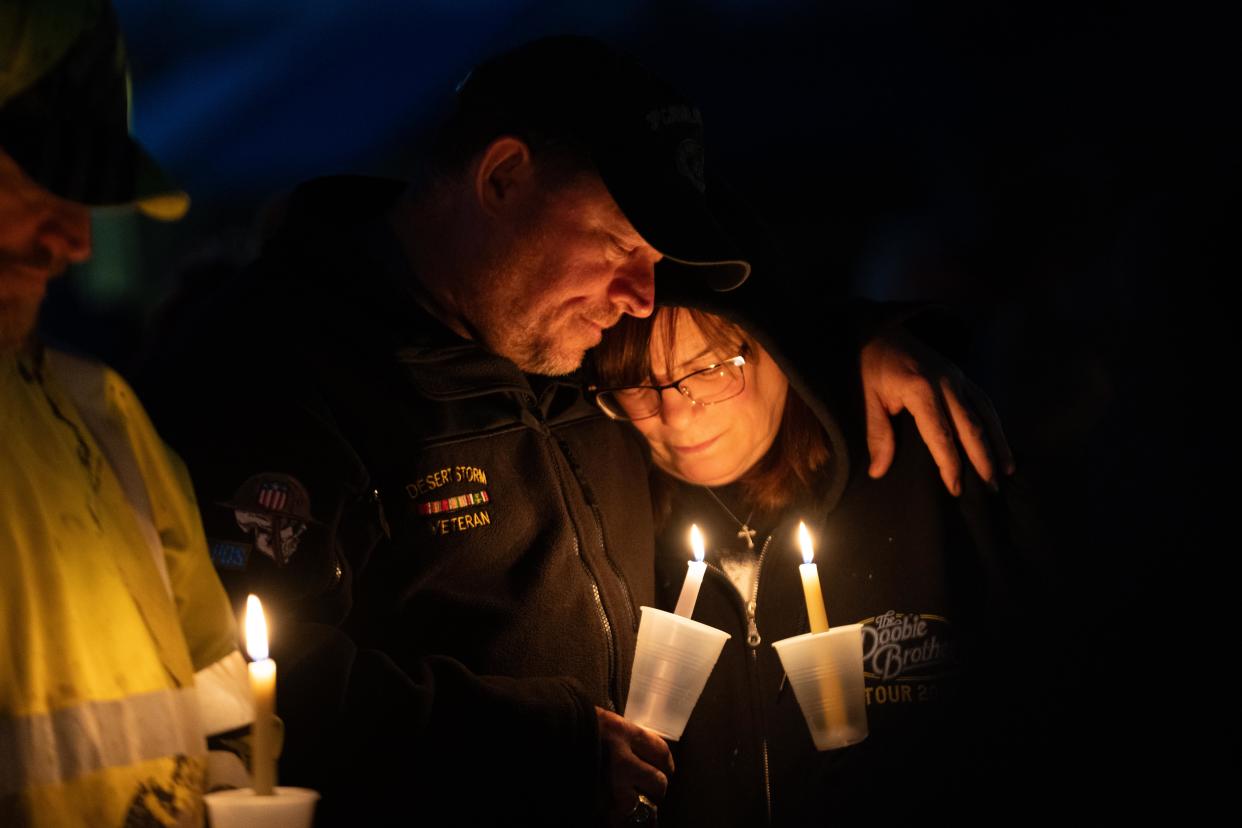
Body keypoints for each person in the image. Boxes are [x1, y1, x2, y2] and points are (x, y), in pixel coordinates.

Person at [137, 36, 1013, 825]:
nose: (640, 299)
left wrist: (854, 343)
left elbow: (731, 347)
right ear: (503, 178)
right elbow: (224, 679)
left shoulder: (554, 334)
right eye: (620, 244)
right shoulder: (272, 368)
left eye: (656, 267)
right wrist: (532, 748)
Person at [589, 297, 1040, 825]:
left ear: (775, 346)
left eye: (708, 369)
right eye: (637, 384)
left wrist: (862, 334)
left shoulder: (921, 466)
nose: (673, 413)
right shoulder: (609, 522)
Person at [0, 2, 252, 825]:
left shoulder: (99, 411)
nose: (74, 240)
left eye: (88, 196)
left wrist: (244, 783)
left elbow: (227, 705)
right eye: (37, 183)